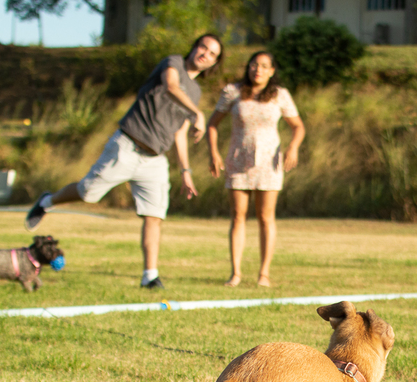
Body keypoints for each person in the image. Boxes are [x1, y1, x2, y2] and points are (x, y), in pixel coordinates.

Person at [24, 34, 223, 290]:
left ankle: (149, 276)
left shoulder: (195, 92)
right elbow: (172, 87)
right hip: (127, 146)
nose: (205, 54)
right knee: (88, 193)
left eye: (212, 53)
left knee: (154, 215)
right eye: (203, 47)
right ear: (194, 47)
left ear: (214, 62)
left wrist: (185, 170)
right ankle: (47, 201)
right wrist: (198, 113)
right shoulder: (172, 63)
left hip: (155, 159)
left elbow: (180, 133)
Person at [206, 50, 305, 288]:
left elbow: (298, 126)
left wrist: (293, 147)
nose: (257, 70)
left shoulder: (280, 95)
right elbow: (212, 124)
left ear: (271, 71)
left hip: (269, 162)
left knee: (265, 217)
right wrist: (213, 153)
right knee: (238, 216)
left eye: (263, 66)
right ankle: (236, 273)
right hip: (238, 160)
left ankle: (264, 274)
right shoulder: (233, 92)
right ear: (247, 68)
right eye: (253, 65)